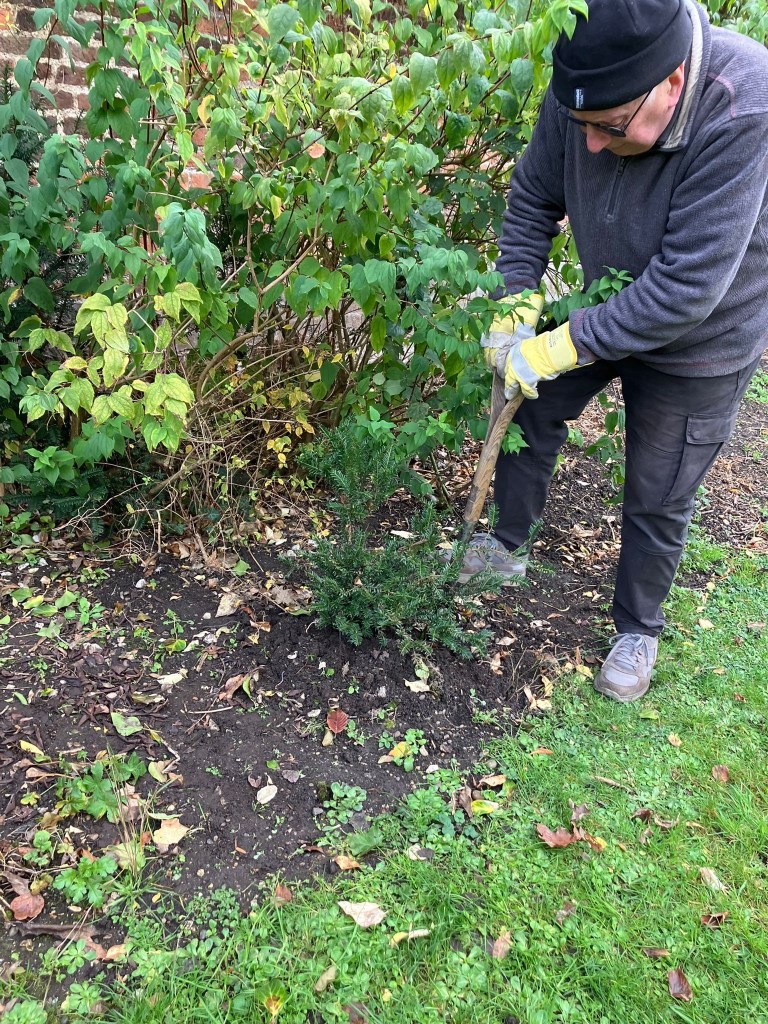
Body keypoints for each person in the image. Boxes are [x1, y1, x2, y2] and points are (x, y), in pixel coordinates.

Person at [459, 0, 768, 702]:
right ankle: (503, 546)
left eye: (610, 127)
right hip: (610, 298)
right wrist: (516, 304)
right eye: (582, 126)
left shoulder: (745, 106)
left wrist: (560, 345)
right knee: (529, 408)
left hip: (703, 337)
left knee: (659, 487)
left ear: (673, 83)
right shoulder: (587, 81)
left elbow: (687, 287)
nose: (591, 146)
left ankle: (638, 629)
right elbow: (535, 194)